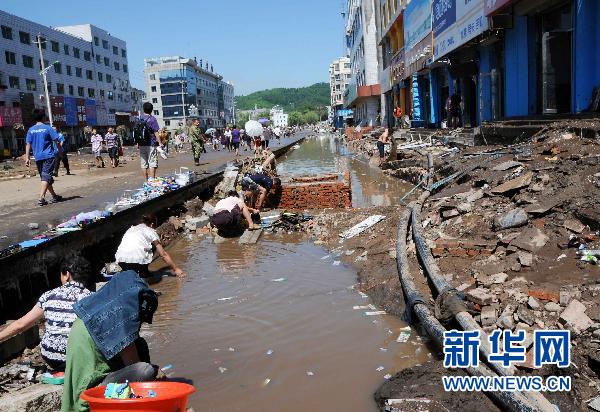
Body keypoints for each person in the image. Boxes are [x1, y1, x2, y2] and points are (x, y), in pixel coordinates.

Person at [61, 271, 160, 412]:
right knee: (145, 371)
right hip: (89, 397)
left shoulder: (95, 311)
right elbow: (135, 365)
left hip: (82, 386)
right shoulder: (118, 321)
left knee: (140, 344)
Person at [0, 256, 93, 372]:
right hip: (79, 357)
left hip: (51, 357)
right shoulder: (91, 298)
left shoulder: (49, 296)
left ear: (67, 274)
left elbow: (20, 324)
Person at [115, 214, 185, 278]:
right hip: (137, 259)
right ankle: (144, 272)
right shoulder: (151, 231)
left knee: (130, 275)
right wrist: (176, 269)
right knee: (153, 247)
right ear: (152, 224)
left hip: (120, 258)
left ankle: (141, 272)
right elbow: (163, 254)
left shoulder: (131, 228)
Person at [24, 109, 63, 206]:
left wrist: (27, 157)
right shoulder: (47, 128)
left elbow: (28, 144)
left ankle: (54, 196)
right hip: (48, 156)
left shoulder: (31, 130)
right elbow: (57, 141)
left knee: (45, 177)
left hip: (37, 157)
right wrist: (60, 152)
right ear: (43, 117)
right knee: (46, 177)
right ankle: (41, 198)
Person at [136, 102, 163, 181]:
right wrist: (160, 143)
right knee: (152, 162)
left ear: (143, 109)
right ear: (151, 110)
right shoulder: (152, 119)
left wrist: (137, 143)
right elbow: (156, 132)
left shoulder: (139, 118)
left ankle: (146, 180)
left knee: (143, 163)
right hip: (151, 143)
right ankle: (152, 180)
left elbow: (138, 131)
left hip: (141, 144)